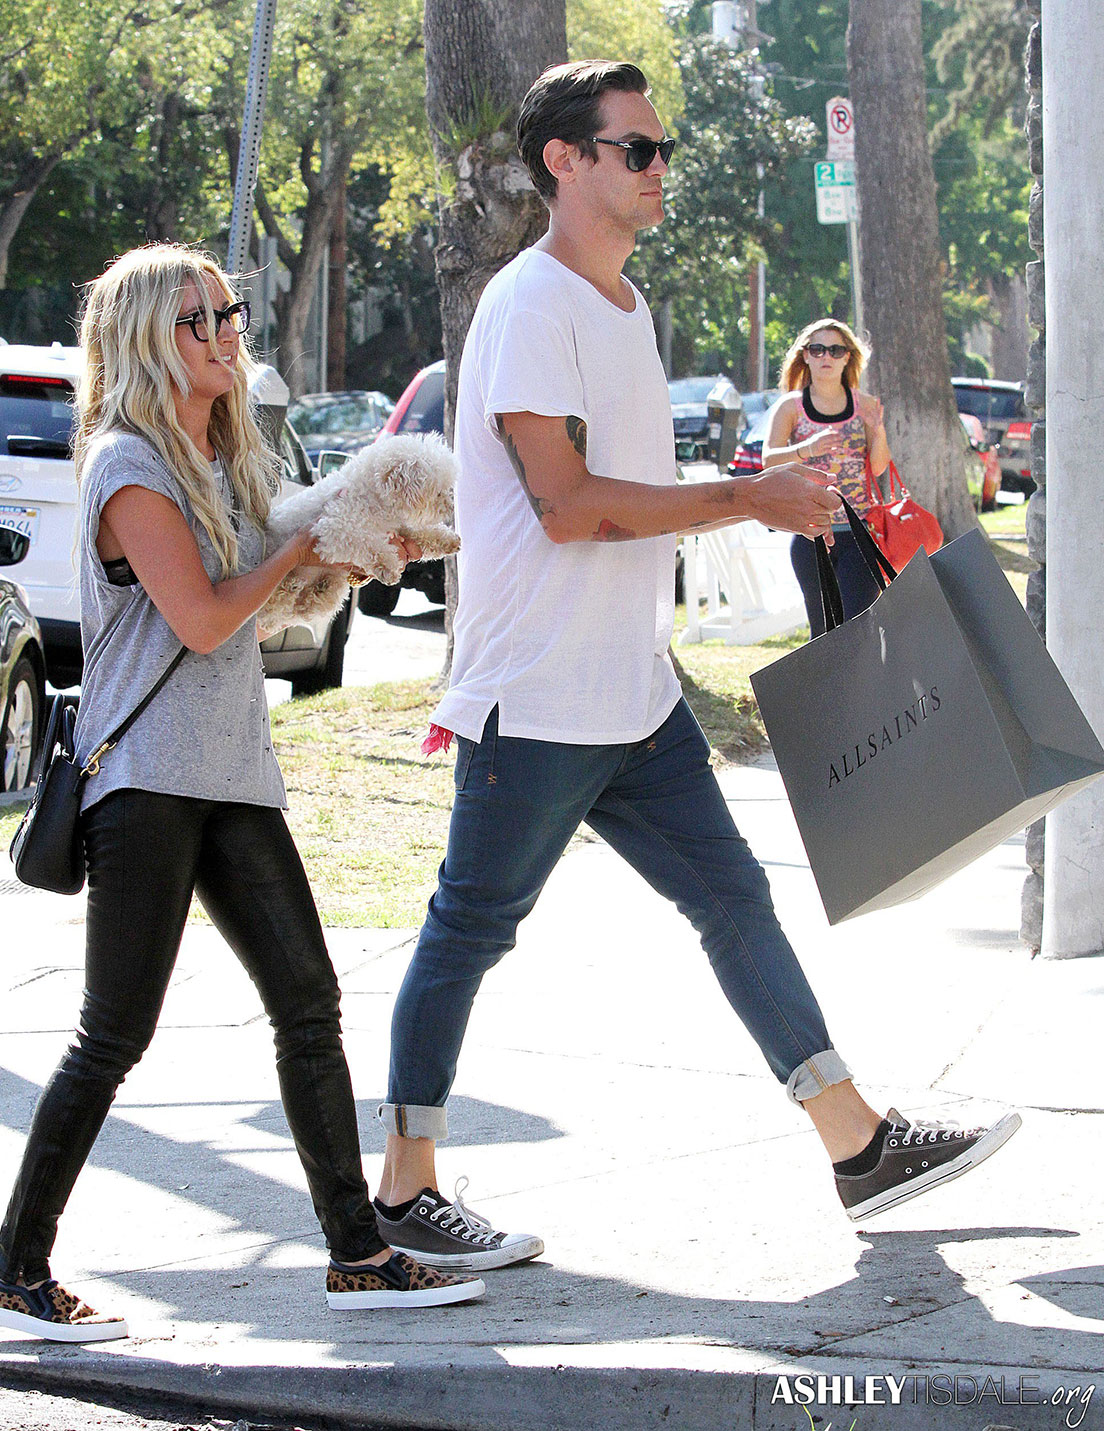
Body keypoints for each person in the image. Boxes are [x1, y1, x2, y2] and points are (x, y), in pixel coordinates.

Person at [369, 61, 1020, 1273]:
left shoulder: (624, 306)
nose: (660, 168)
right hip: (543, 694)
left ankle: (857, 1144)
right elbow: (563, 506)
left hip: (635, 688)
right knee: (469, 928)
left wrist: (775, 494)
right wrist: (747, 498)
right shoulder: (529, 306)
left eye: (662, 151)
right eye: (638, 150)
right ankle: (402, 1194)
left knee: (733, 902)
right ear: (566, 161)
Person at [0, 243, 484, 1342]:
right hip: (149, 778)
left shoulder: (221, 454)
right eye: (198, 320)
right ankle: (16, 1268)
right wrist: (305, 536)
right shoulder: (128, 465)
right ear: (150, 339)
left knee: (309, 1003)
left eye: (228, 312)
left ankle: (357, 1252)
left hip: (232, 773)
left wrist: (339, 554)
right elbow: (203, 619)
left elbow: (265, 606)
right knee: (113, 1036)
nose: (224, 333)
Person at [763, 321, 891, 639]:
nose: (826, 357)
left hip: (860, 534)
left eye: (836, 350)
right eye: (817, 349)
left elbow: (877, 468)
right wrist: (807, 448)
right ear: (805, 356)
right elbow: (769, 461)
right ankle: (826, 690)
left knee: (858, 630)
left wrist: (877, 429)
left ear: (848, 357)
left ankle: (861, 690)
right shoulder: (791, 407)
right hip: (812, 534)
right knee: (823, 634)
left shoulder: (865, 405)